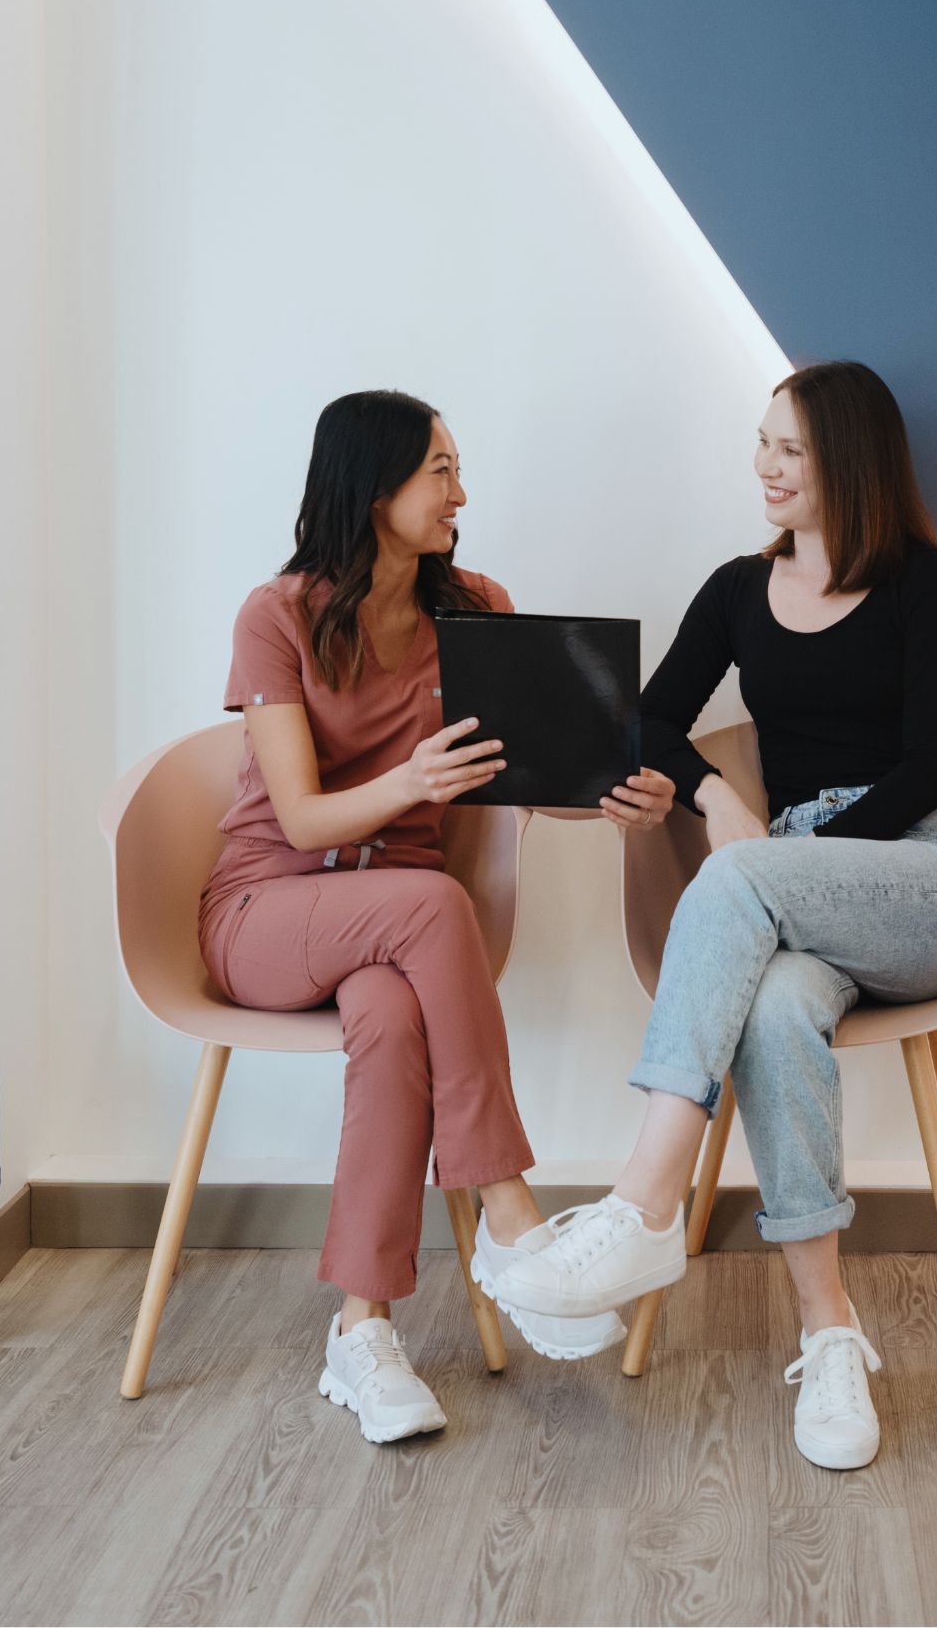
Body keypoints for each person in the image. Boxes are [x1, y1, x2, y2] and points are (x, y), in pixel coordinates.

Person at [484, 361, 937, 1471]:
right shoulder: (734, 590)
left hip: (925, 878)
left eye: (790, 451)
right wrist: (717, 796)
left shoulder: (926, 585)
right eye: (761, 442)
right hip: (797, 893)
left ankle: (642, 1206)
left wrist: (776, 855)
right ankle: (832, 1333)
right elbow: (649, 719)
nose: (763, 465)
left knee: (739, 880)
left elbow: (925, 764)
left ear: (848, 465)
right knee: (768, 1014)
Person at [200, 389, 673, 1442]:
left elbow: (520, 776)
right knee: (428, 899)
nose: (463, 493)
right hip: (268, 908)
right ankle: (508, 1213)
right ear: (373, 492)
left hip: (395, 938)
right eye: (440, 472)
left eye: (457, 470)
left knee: (390, 1017)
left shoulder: (474, 606)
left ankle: (361, 1332)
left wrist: (606, 792)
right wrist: (413, 779)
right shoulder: (273, 614)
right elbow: (305, 814)